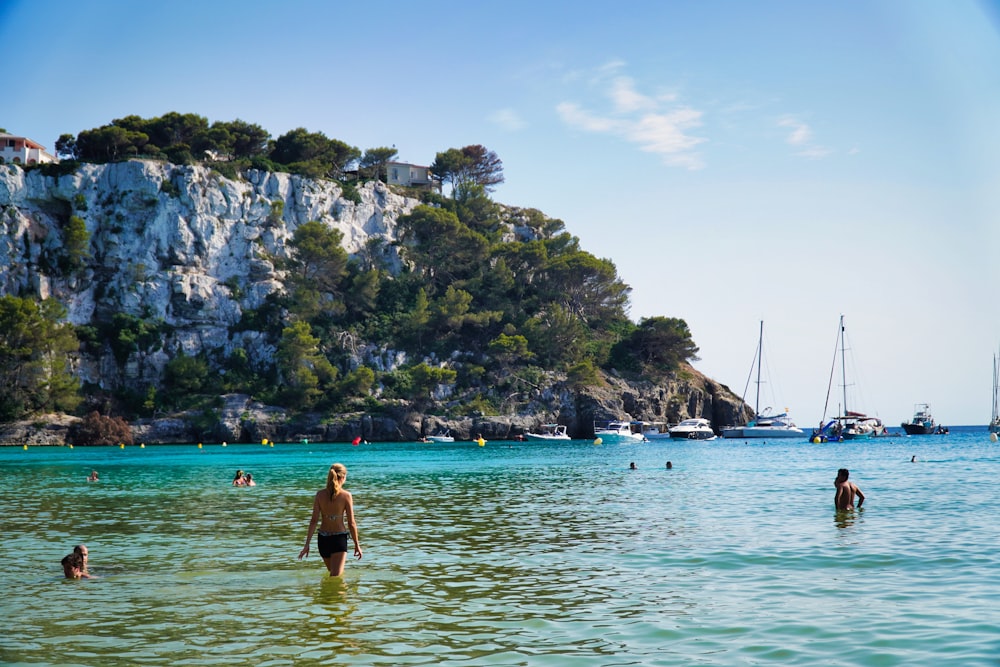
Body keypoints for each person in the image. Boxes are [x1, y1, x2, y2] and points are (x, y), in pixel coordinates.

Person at [298, 463, 362, 576]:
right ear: (343, 477)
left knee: (334, 574)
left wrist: (307, 544)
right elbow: (351, 522)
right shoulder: (346, 495)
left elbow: (314, 521)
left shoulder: (320, 495)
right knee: (335, 576)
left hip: (323, 540)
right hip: (338, 539)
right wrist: (357, 544)